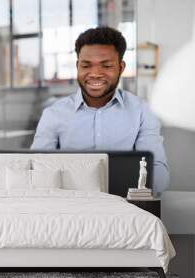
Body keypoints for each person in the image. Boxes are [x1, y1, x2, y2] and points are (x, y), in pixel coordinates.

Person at [31, 27, 169, 194]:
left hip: (125, 207)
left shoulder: (142, 112)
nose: (95, 74)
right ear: (77, 66)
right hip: (69, 207)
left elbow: (158, 175)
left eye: (106, 65)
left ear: (121, 67)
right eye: (86, 65)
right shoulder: (54, 114)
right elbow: (37, 172)